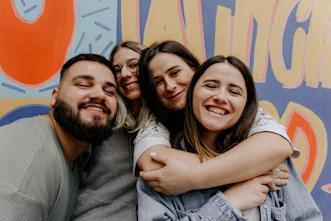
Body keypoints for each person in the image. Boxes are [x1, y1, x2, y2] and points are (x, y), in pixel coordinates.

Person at [137, 55, 322, 220]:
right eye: (210, 86)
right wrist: (229, 203)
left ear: (246, 106)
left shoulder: (270, 162)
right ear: (192, 92)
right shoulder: (163, 174)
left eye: (234, 92)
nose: (220, 97)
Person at [135, 40, 297, 196]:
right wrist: (250, 169)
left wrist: (191, 176)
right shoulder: (155, 122)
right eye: (158, 82)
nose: (170, 86)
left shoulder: (242, 112)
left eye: (175, 73)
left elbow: (278, 146)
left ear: (195, 70)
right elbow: (152, 162)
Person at [0, 54, 121, 221]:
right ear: (54, 97)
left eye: (109, 91)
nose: (99, 95)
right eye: (84, 85)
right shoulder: (31, 165)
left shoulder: (74, 154)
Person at [71, 41, 146, 221]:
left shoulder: (168, 122)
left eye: (134, 65)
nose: (125, 74)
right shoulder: (103, 120)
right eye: (117, 70)